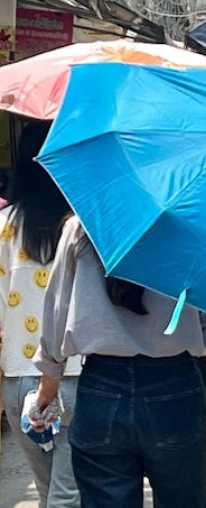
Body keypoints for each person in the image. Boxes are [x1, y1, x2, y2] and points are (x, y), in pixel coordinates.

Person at [32, 215, 206, 508]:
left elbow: (56, 314)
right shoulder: (191, 227)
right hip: (175, 385)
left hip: (102, 386)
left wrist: (46, 392)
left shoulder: (82, 228)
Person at [0, 121, 80, 508]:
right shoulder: (83, 227)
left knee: (49, 491)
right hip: (78, 373)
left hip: (19, 375)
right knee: (69, 493)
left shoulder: (4, 226)